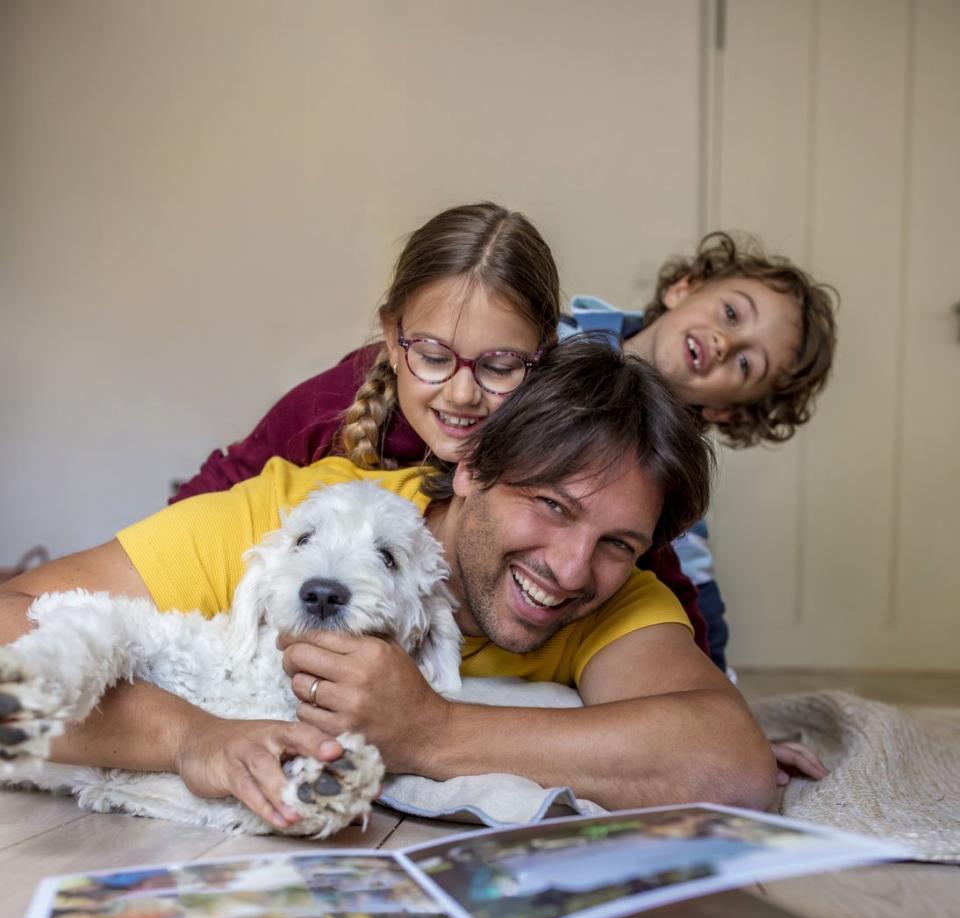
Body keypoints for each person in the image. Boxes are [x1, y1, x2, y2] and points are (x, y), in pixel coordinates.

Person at [0, 339, 777, 831]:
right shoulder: (293, 520)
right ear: (471, 468)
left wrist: (431, 730)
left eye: (616, 543)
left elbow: (731, 765)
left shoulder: (618, 596)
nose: (571, 570)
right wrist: (189, 734)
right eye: (550, 506)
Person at [172, 202, 710, 651]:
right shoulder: (330, 404)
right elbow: (212, 501)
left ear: (543, 355)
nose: (461, 394)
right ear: (391, 335)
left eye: (499, 366)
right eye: (432, 357)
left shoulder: (564, 445)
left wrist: (712, 687)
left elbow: (640, 549)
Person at [560, 232, 839, 674]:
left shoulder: (673, 478)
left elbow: (697, 595)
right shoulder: (550, 339)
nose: (727, 343)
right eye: (731, 313)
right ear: (683, 288)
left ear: (724, 410)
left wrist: (721, 697)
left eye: (747, 364)